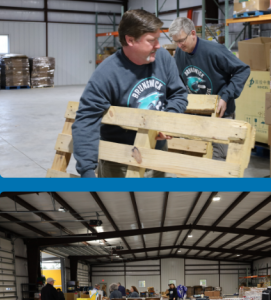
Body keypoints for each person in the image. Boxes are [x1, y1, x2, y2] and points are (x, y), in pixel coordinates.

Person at [71, 9, 189, 178]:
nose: (158, 45)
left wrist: (168, 119)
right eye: (152, 40)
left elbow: (178, 94)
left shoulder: (163, 58)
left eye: (158, 39)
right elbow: (86, 119)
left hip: (157, 156)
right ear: (130, 40)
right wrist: (87, 171)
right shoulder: (107, 73)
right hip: (119, 162)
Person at [169, 17, 250, 160]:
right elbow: (179, 80)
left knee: (218, 159)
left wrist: (226, 96)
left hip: (220, 114)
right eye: (176, 42)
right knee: (196, 157)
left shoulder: (214, 50)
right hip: (195, 115)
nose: (179, 45)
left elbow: (242, 69)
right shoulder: (180, 53)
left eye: (182, 40)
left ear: (193, 33)